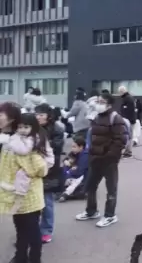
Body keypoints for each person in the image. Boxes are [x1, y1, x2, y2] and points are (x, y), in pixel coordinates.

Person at [0, 104, 48, 263]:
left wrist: (27, 173)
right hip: (14, 193)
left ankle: (34, 259)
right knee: (20, 228)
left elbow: (40, 167)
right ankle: (20, 257)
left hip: (29, 194)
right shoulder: (10, 138)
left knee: (32, 231)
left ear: (11, 118)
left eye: (1, 114)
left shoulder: (25, 142)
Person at [75, 93, 126, 228]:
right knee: (91, 186)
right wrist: (91, 154)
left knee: (111, 189)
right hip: (95, 159)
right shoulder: (96, 117)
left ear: (109, 104)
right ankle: (91, 211)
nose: (98, 104)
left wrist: (110, 156)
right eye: (98, 101)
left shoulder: (116, 118)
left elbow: (120, 140)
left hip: (108, 161)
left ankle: (110, 216)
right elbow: (92, 138)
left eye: (102, 102)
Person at [35, 103, 65, 243]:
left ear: (48, 116)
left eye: (41, 114)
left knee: (47, 203)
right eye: (36, 114)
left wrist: (40, 146)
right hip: (33, 171)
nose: (38, 117)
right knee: (32, 204)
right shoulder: (32, 128)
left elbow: (56, 148)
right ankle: (32, 230)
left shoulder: (57, 129)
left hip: (50, 171)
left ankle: (46, 231)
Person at [58, 136, 89, 202]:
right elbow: (66, 160)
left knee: (76, 181)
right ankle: (65, 192)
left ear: (81, 147)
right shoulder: (74, 153)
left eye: (74, 147)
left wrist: (69, 173)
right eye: (72, 146)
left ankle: (65, 194)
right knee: (62, 168)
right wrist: (65, 162)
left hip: (81, 178)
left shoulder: (85, 156)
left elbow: (80, 171)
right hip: (72, 175)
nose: (72, 149)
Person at [118, 86, 136, 157]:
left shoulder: (127, 99)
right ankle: (127, 151)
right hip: (130, 120)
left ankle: (128, 152)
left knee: (129, 135)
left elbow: (128, 110)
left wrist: (124, 119)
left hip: (129, 120)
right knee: (129, 135)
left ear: (122, 92)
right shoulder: (128, 98)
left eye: (119, 92)